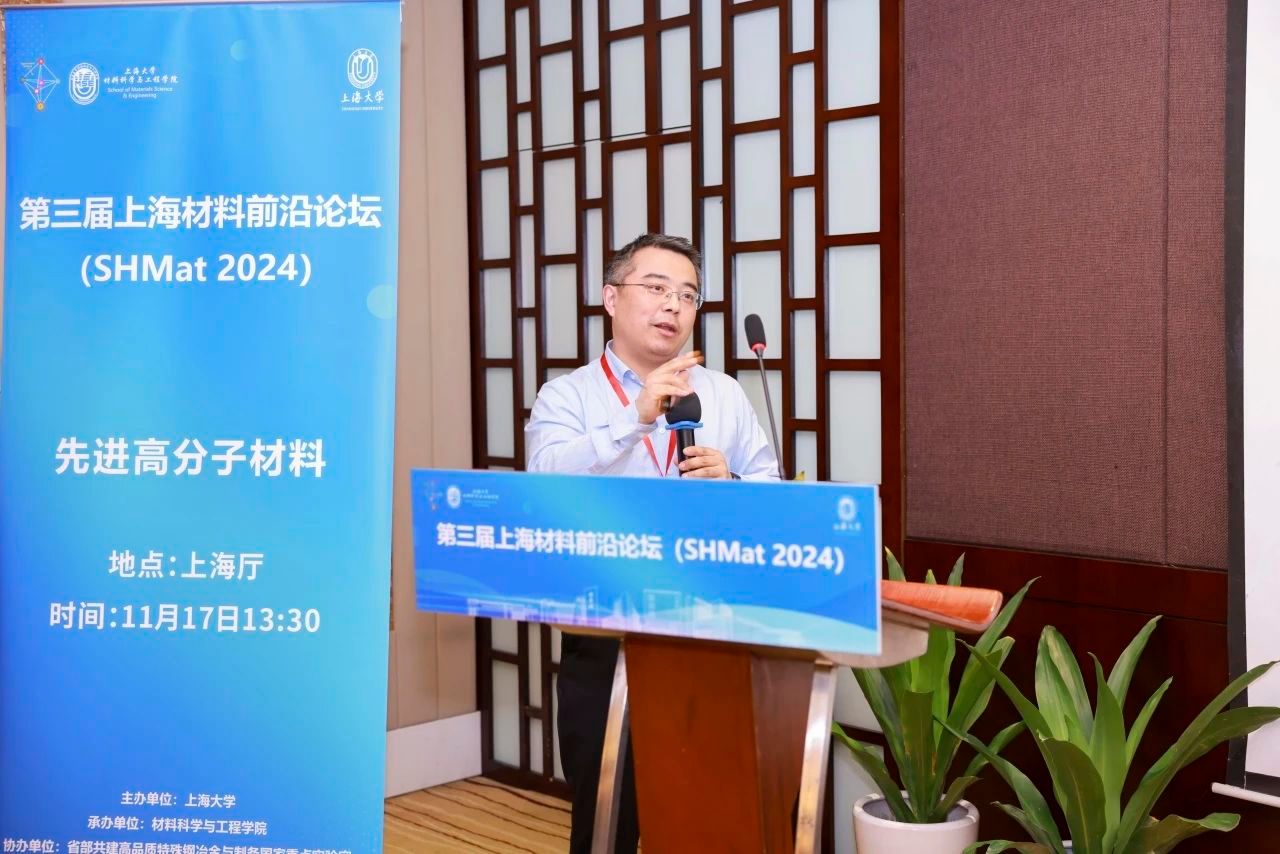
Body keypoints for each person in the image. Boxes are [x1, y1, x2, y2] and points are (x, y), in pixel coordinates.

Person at [525, 233, 780, 853]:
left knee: (706, 810)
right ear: (611, 298)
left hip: (710, 628)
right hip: (603, 625)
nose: (673, 305)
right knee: (606, 812)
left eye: (688, 295)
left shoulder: (723, 393)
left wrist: (732, 483)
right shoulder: (569, 396)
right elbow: (546, 482)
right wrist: (634, 418)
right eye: (657, 288)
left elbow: (770, 495)